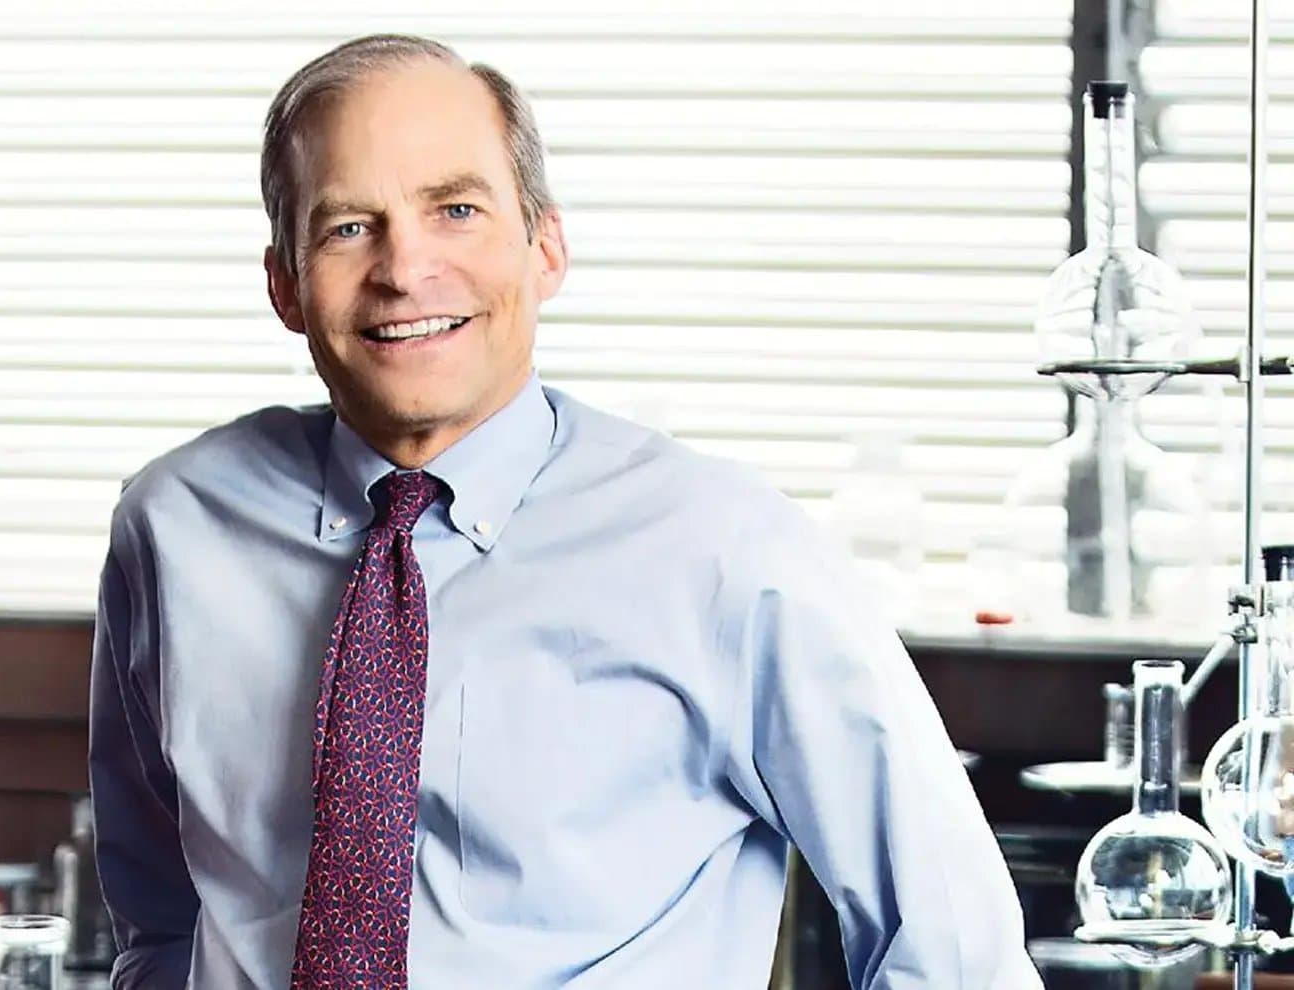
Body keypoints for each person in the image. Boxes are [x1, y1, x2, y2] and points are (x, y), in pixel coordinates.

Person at [88, 33, 1042, 990]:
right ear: (285, 284)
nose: (405, 269)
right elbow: (161, 928)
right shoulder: (175, 528)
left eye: (456, 209)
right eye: (347, 227)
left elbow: (957, 956)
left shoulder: (729, 554)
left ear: (545, 246)